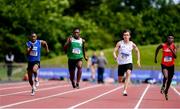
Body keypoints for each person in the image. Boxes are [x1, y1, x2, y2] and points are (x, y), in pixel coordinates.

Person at [113, 29, 141, 96]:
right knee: (120, 80)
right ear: (123, 36)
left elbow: (137, 51)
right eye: (125, 35)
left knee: (128, 73)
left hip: (129, 62)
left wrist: (138, 60)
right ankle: (125, 80)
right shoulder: (120, 43)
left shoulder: (132, 44)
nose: (126, 36)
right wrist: (115, 56)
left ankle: (125, 90)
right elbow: (114, 51)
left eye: (127, 35)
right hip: (121, 63)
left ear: (129, 36)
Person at [154, 34, 177, 100]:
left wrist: (171, 50)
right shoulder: (163, 45)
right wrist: (155, 57)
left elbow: (175, 56)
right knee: (166, 76)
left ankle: (166, 91)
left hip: (171, 65)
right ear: (167, 39)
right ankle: (163, 85)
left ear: (173, 39)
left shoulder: (173, 46)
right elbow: (157, 49)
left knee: (170, 80)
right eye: (169, 38)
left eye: (172, 38)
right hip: (164, 64)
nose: (170, 39)